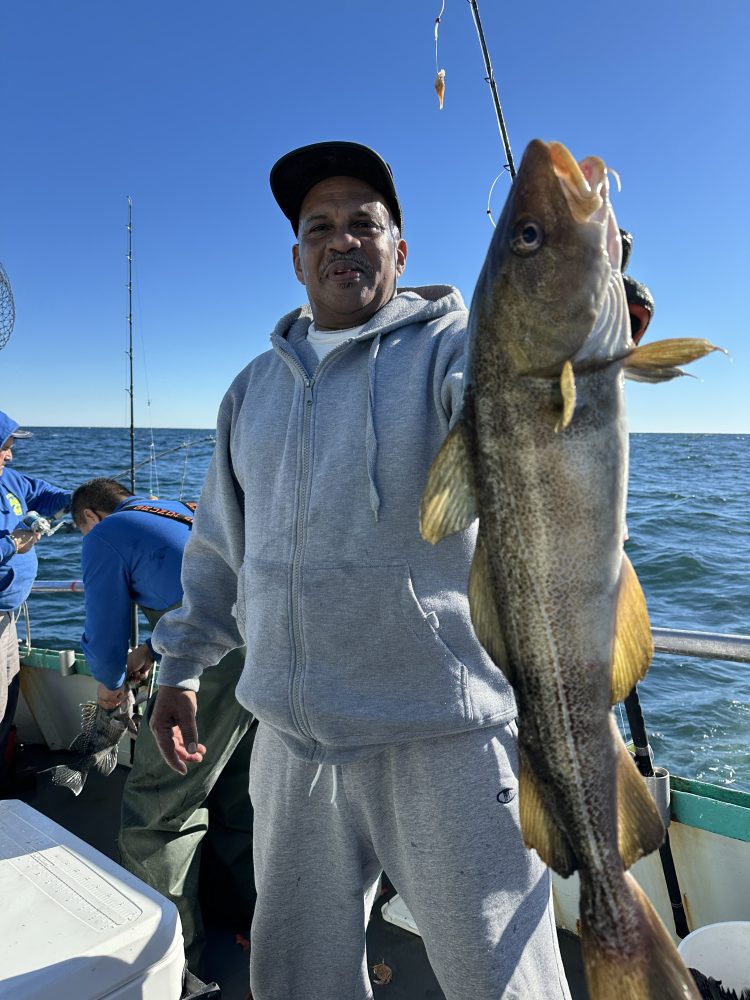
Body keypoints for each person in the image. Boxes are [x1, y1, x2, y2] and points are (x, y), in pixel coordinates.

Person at [149, 141, 572, 1000]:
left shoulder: (456, 349)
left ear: (400, 249)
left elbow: (529, 416)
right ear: (298, 255)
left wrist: (568, 310)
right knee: (297, 978)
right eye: (320, 228)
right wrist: (182, 666)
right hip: (294, 744)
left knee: (504, 981)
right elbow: (220, 551)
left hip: (444, 735)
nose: (342, 241)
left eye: (363, 224)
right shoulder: (250, 392)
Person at [70, 477, 257, 977]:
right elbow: (205, 591)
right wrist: (152, 651)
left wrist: (111, 689)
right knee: (239, 796)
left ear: (91, 516)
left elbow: (106, 641)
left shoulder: (104, 536)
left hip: (208, 670)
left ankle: (172, 965)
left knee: (159, 811)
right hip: (263, 651)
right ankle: (250, 914)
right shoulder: (182, 508)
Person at [0, 411, 71, 795]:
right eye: (6, 446)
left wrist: (91, 499)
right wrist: (14, 543)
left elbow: (45, 494)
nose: (10, 455)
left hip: (7, 620)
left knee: (8, 698)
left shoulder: (8, 480)